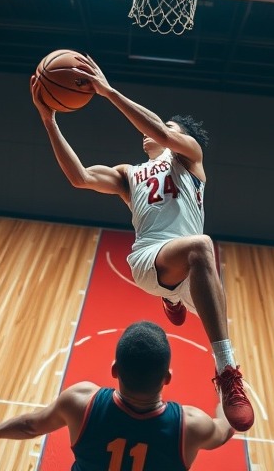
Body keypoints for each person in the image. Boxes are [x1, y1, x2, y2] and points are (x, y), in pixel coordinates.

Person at [29, 54, 254, 432]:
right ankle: (227, 370)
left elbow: (166, 136)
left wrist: (108, 91)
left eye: (165, 126)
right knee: (201, 246)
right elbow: (80, 177)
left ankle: (175, 296)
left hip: (183, 271)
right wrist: (48, 119)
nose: (150, 130)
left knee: (205, 277)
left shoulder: (190, 159)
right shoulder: (129, 174)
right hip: (151, 258)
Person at [0, 321, 235, 470]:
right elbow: (226, 427)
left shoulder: (81, 402)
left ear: (115, 370)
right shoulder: (191, 425)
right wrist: (229, 389)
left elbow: (30, 426)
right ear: (166, 378)